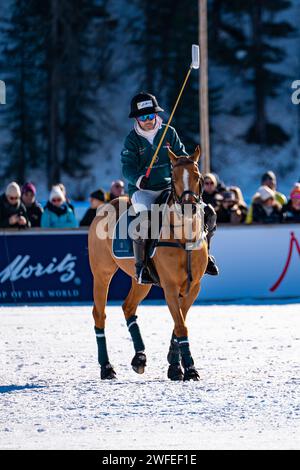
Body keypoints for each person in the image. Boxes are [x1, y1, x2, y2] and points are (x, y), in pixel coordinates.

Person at [121, 91, 218, 283]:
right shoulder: (132, 139)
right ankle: (142, 268)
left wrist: (189, 165)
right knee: (145, 221)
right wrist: (139, 179)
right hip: (143, 191)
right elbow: (127, 168)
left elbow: (181, 157)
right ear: (137, 118)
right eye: (143, 117)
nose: (148, 120)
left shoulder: (169, 132)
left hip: (168, 187)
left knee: (209, 213)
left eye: (151, 115)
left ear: (156, 115)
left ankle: (207, 257)